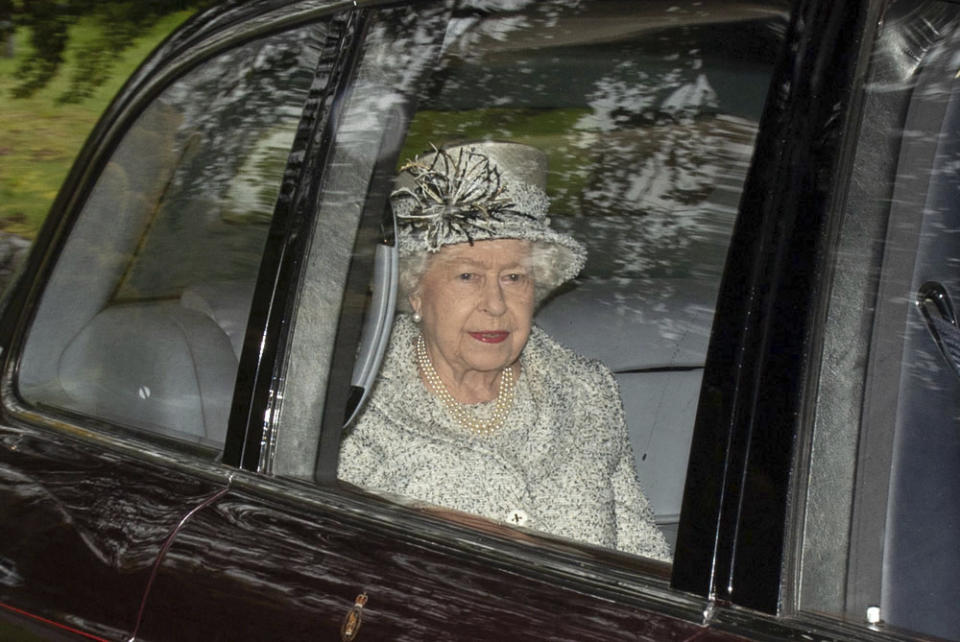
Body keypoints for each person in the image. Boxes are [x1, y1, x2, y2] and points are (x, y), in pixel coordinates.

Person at [338, 141, 670, 561]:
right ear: (414, 289)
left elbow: (643, 557)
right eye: (467, 275)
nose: (495, 304)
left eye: (514, 277)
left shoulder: (588, 392)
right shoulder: (350, 408)